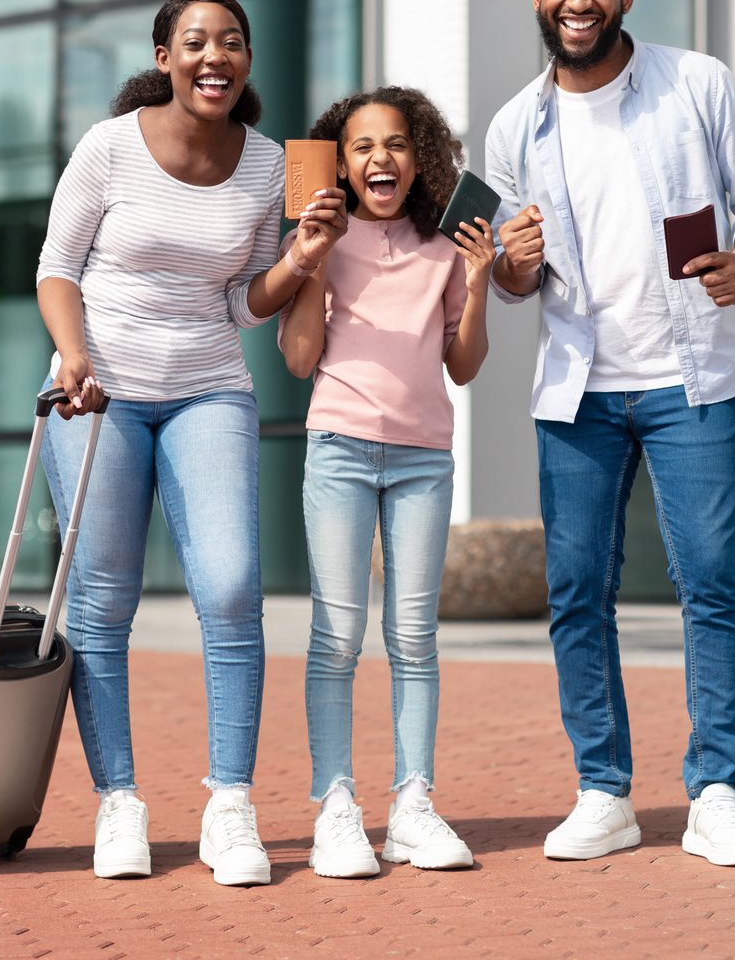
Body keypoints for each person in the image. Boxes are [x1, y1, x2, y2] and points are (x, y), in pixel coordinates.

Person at [484, 0, 735, 868]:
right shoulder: (515, 125)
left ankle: (713, 791)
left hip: (690, 377)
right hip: (579, 391)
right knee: (578, 592)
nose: (579, 2)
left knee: (708, 583)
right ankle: (603, 791)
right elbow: (505, 274)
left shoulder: (695, 83)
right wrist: (514, 264)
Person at [35, 0, 347, 887]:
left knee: (233, 587)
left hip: (208, 387)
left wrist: (302, 255)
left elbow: (243, 303)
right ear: (165, 57)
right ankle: (119, 803)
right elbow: (58, 269)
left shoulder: (272, 167)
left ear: (248, 61)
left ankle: (230, 807)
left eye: (234, 42)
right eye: (198, 41)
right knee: (103, 599)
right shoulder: (108, 147)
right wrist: (72, 354)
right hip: (100, 392)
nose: (217, 56)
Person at [277, 87, 493, 878]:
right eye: (363, 146)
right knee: (335, 639)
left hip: (421, 461)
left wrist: (478, 278)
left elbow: (462, 366)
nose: (380, 159)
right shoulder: (323, 241)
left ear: (419, 156)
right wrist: (309, 257)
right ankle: (336, 806)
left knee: (414, 640)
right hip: (337, 449)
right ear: (340, 162)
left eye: (396, 144)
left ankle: (413, 806)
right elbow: (298, 359)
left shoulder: (445, 246)